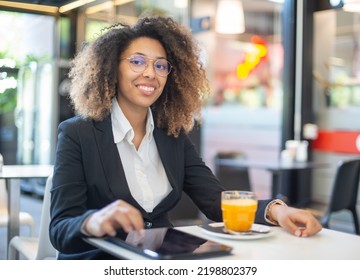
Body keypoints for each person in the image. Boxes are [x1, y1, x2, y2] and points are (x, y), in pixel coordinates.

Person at [49, 16, 322, 260]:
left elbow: (215, 202)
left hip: (160, 261)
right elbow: (60, 230)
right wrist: (92, 221)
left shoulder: (173, 135)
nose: (150, 73)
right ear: (111, 68)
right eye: (136, 61)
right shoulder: (77, 134)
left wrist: (277, 211)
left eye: (161, 65)